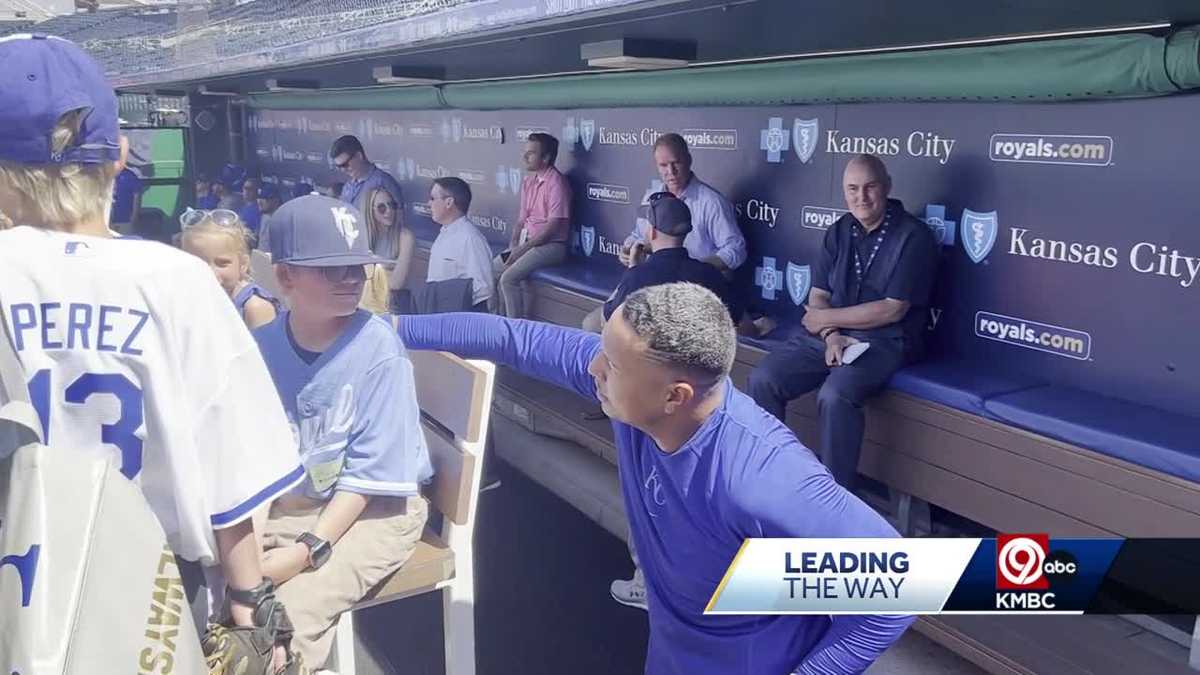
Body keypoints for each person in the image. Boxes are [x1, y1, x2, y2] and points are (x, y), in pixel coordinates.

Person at [395, 283, 913, 673]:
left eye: (611, 364)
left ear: (676, 396)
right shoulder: (631, 388)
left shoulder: (760, 474)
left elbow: (901, 584)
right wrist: (385, 332)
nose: (592, 367)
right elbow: (510, 337)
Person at [0, 34, 302, 665]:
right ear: (119, 157)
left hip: (13, 578)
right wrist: (249, 600)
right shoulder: (177, 279)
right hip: (149, 592)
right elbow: (231, 482)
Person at [255, 194, 432, 667]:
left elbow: (368, 481)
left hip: (379, 510)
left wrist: (305, 551)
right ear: (285, 275)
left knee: (281, 623)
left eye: (357, 266)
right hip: (297, 502)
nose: (352, 279)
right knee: (221, 594)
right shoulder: (260, 347)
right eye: (332, 268)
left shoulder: (380, 349)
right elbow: (247, 462)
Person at [748, 154, 938, 490]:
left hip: (885, 340)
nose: (861, 197)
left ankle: (835, 500)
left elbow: (892, 309)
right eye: (852, 188)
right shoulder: (838, 230)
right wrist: (832, 334)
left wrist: (824, 320)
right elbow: (818, 295)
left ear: (888, 186)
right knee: (765, 378)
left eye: (870, 187)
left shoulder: (913, 236)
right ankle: (774, 479)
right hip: (831, 336)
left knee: (834, 396)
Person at [582, 192, 742, 335]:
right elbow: (738, 321)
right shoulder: (708, 274)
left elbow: (607, 321)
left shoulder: (638, 277)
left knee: (591, 325)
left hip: (648, 365)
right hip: (690, 365)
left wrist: (632, 269)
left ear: (651, 232)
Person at [620, 133, 746, 275]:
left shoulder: (711, 202)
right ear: (657, 166)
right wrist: (627, 249)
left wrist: (696, 268)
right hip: (656, 285)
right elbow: (637, 236)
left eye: (676, 163)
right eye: (663, 165)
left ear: (689, 160)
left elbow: (736, 249)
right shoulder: (650, 198)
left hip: (697, 288)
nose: (671, 171)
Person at [491, 132, 571, 318]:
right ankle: (498, 322)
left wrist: (521, 250)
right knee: (493, 269)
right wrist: (513, 246)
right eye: (525, 151)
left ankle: (516, 330)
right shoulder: (529, 181)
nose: (525, 156)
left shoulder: (556, 182)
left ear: (546, 157)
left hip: (551, 246)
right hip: (526, 244)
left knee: (508, 279)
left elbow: (552, 228)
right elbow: (521, 220)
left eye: (531, 153)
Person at [180, 209, 280, 329]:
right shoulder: (190, 300)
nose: (211, 274)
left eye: (222, 263)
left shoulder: (254, 308)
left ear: (243, 264)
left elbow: (266, 347)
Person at [427, 177, 494, 311]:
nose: (429, 203)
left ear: (449, 202)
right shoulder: (443, 234)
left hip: (460, 320)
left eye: (433, 198)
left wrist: (450, 302)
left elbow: (483, 287)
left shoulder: (470, 238)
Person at [360, 187, 416, 314]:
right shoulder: (360, 236)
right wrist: (387, 269)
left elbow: (396, 283)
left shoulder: (405, 236)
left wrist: (373, 271)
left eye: (392, 205)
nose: (389, 211)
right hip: (363, 306)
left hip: (392, 307)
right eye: (381, 207)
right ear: (370, 210)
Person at [330, 135, 402, 216]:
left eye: (345, 164)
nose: (343, 170)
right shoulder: (348, 186)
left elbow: (397, 221)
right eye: (339, 167)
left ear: (359, 156)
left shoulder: (384, 182)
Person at [110, 164, 143, 235]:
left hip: (125, 221)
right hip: (106, 221)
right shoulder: (103, 175)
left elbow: (137, 199)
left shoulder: (130, 176)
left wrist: (134, 217)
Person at [255, 182, 283, 252]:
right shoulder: (264, 216)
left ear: (276, 200)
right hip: (260, 258)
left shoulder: (282, 221)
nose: (259, 202)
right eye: (258, 198)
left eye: (265, 199)